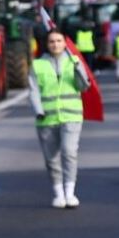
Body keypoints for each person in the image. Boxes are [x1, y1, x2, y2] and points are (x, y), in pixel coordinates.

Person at [30, 31, 91, 209]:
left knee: (69, 151)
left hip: (71, 115)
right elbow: (33, 90)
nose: (55, 44)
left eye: (59, 41)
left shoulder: (74, 61)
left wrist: (78, 68)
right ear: (47, 44)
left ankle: (70, 192)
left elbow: (84, 87)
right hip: (46, 118)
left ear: (66, 43)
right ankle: (59, 194)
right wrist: (38, 110)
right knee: (51, 159)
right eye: (51, 41)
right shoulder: (37, 65)